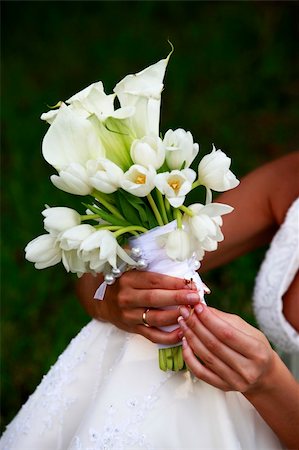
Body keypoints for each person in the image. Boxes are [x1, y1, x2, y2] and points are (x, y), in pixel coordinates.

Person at [1, 153, 298, 449]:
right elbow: (93, 279)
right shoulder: (289, 179)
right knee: (134, 343)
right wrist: (115, 302)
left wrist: (268, 383)